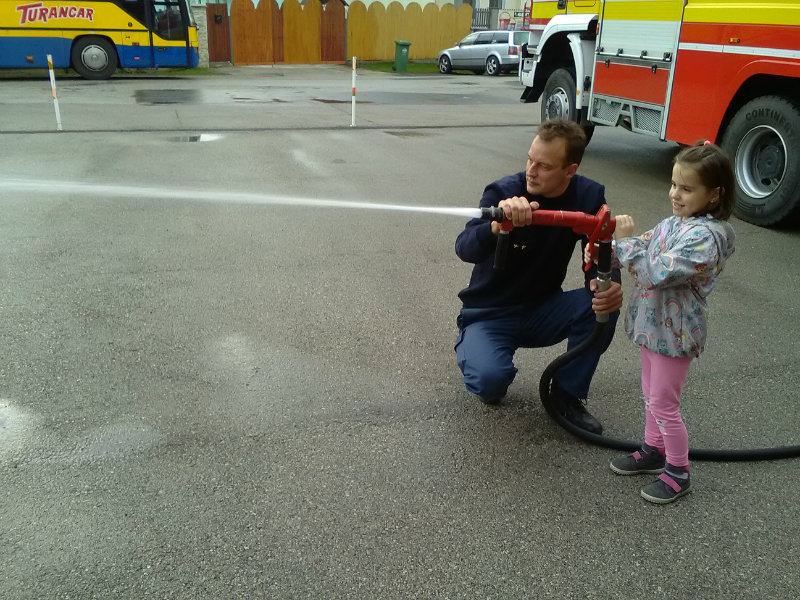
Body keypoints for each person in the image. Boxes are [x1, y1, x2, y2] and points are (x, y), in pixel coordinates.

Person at [454, 119, 623, 434]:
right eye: (530, 160)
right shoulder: (503, 192)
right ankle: (477, 351)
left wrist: (608, 280)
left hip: (544, 308)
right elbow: (464, 248)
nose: (531, 171)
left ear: (570, 170)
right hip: (489, 313)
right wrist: (496, 226)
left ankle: (566, 395)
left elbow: (599, 248)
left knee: (603, 303)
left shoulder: (589, 195)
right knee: (490, 382)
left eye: (543, 166)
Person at [600, 141, 736, 504]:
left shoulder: (706, 238)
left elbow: (655, 272)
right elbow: (642, 246)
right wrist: (607, 251)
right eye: (674, 184)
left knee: (663, 403)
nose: (675, 194)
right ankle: (653, 450)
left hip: (676, 333)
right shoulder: (673, 224)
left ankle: (678, 470)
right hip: (653, 327)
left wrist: (624, 243)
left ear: (714, 194)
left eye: (687, 188)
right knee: (650, 395)